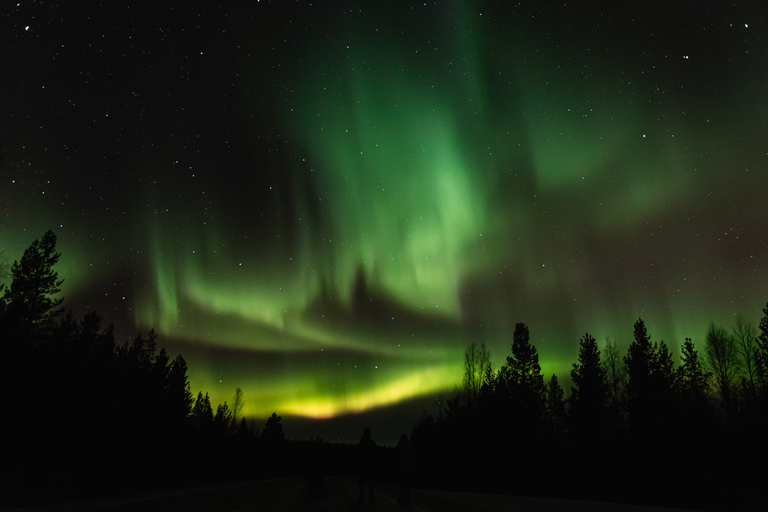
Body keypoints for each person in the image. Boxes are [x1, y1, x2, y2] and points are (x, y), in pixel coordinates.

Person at [357, 427, 377, 503]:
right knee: (369, 482)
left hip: (364, 465)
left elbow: (358, 454)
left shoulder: (362, 443)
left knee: (363, 482)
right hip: (368, 465)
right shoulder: (371, 443)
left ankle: (363, 497)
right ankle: (370, 497)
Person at [395, 433, 411, 505]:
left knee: (404, 484)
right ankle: (406, 499)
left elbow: (396, 454)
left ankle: (404, 499)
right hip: (406, 468)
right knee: (406, 485)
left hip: (403, 468)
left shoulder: (401, 446)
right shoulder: (408, 446)